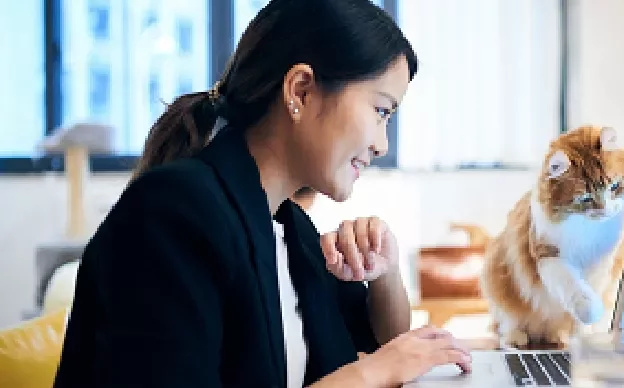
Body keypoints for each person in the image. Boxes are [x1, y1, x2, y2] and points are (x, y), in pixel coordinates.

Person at [52, 0, 471, 387]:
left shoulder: (292, 229)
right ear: (301, 90)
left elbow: (390, 351)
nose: (382, 144)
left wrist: (385, 271)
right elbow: (376, 368)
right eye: (381, 111)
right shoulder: (171, 213)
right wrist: (370, 373)